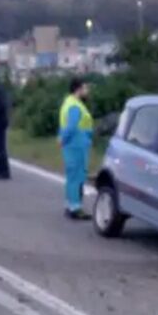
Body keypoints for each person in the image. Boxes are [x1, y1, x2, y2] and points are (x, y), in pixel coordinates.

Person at [58, 78, 93, 220]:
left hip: (73, 144)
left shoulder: (69, 102)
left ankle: (69, 205)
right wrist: (63, 139)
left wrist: (61, 139)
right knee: (77, 177)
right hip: (76, 145)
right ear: (78, 89)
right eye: (85, 88)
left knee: (71, 176)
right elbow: (71, 126)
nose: (87, 91)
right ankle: (75, 208)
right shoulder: (75, 106)